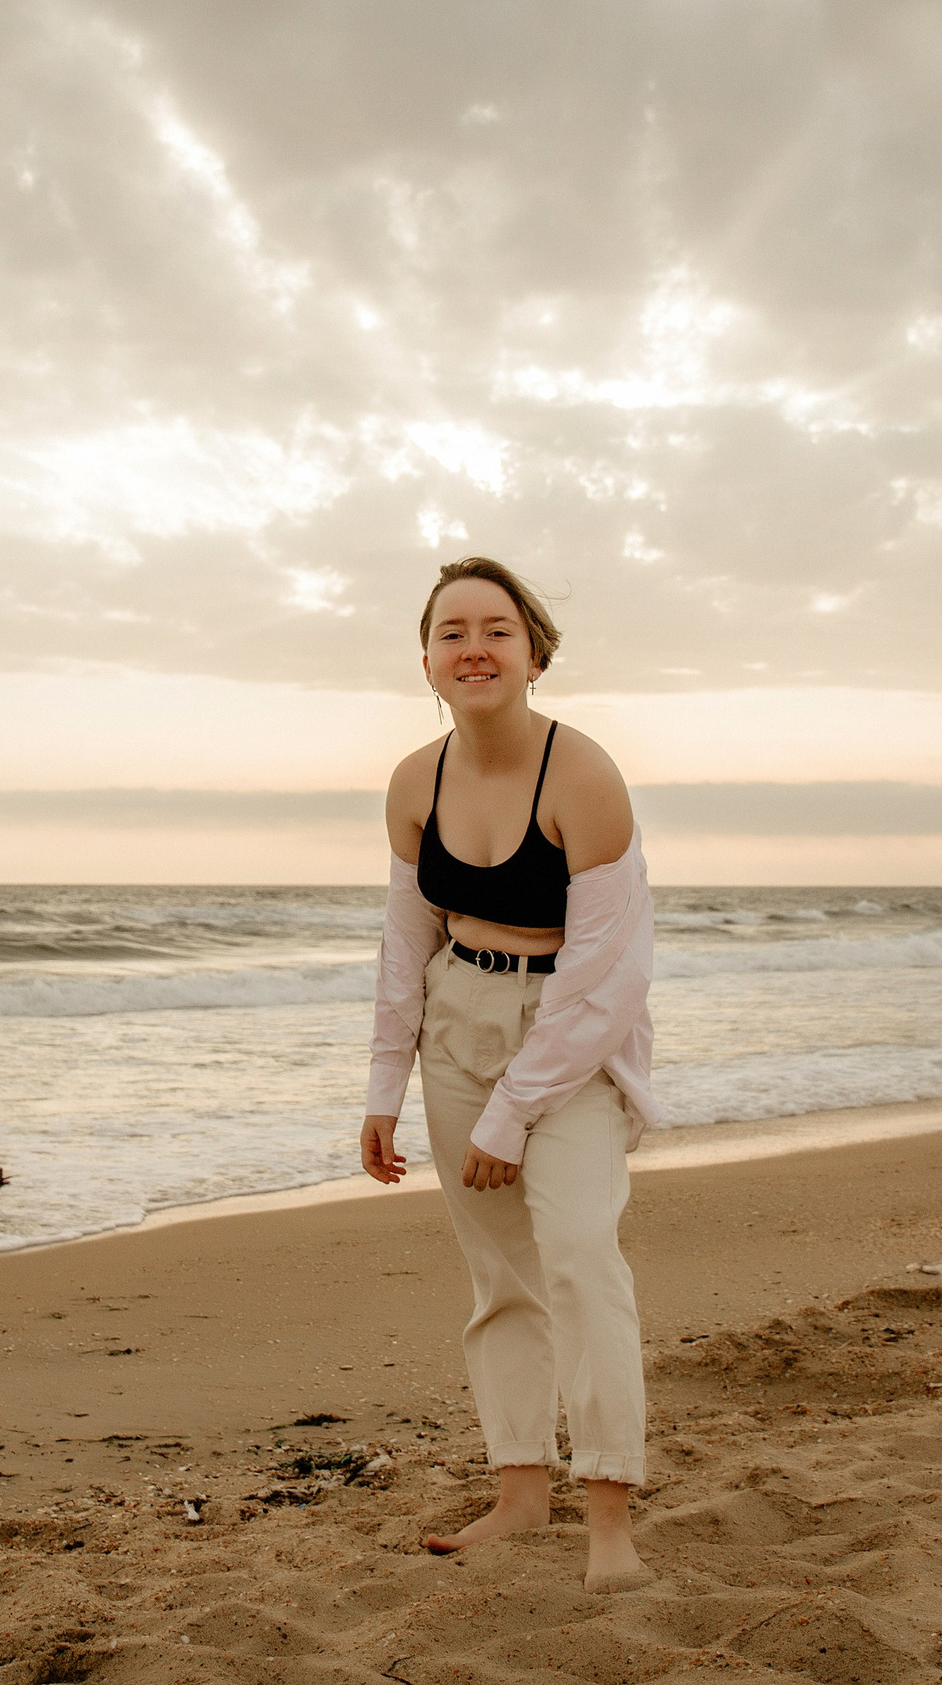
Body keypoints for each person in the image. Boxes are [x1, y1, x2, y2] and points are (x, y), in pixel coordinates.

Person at [360, 555, 664, 1595]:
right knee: (501, 1280)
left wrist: (513, 1113)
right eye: (452, 633)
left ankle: (609, 1512)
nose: (474, 647)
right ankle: (521, 1490)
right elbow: (406, 949)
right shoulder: (413, 781)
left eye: (495, 629)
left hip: (568, 1039)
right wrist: (381, 1090)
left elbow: (605, 975)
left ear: (534, 652)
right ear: (430, 662)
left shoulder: (581, 775)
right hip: (458, 1025)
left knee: (581, 1257)